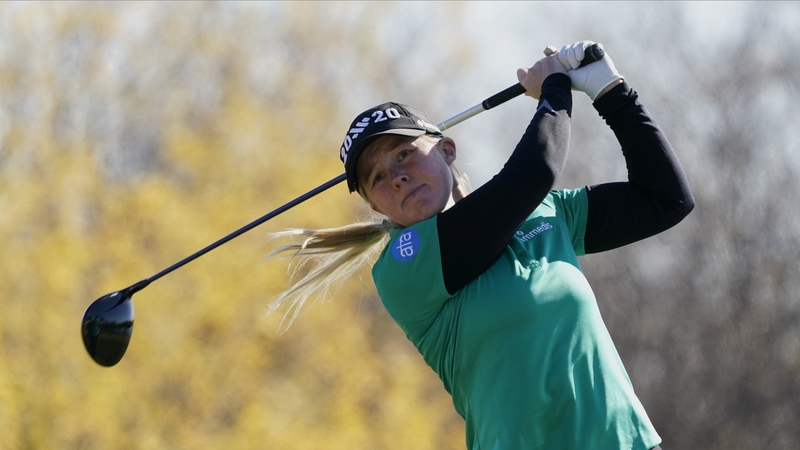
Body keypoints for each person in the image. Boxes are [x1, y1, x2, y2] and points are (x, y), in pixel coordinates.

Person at [268, 41, 693, 450]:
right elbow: (533, 172)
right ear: (373, 203)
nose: (395, 176)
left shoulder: (545, 213)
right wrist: (555, 90)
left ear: (447, 150)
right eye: (376, 177)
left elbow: (665, 199)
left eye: (403, 154)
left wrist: (610, 91)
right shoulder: (403, 269)